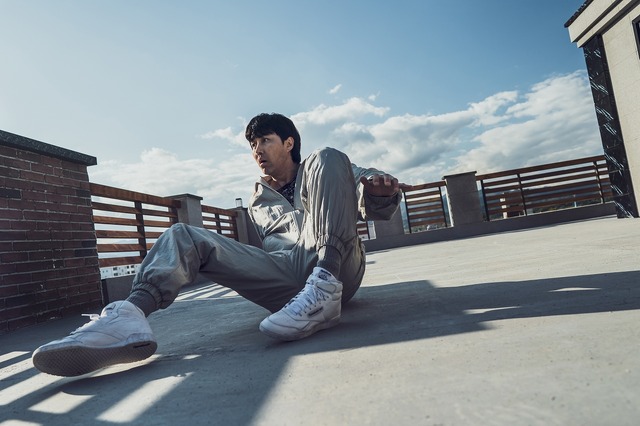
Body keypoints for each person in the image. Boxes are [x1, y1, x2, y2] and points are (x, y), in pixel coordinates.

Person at [32, 113, 406, 376]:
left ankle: (323, 288)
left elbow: (361, 187)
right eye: (252, 145)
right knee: (183, 234)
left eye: (265, 140)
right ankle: (128, 318)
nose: (257, 150)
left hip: (337, 268)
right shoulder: (258, 198)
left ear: (289, 143)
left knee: (328, 155)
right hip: (285, 281)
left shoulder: (319, 168)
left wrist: (379, 192)